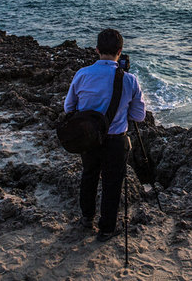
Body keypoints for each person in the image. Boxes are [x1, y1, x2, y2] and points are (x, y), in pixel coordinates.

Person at [63, 29, 146, 242]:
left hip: (88, 138)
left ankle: (86, 219)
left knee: (89, 175)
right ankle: (107, 229)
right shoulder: (130, 80)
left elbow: (68, 107)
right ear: (120, 51)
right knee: (113, 183)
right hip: (116, 141)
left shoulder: (82, 74)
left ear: (97, 50)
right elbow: (138, 116)